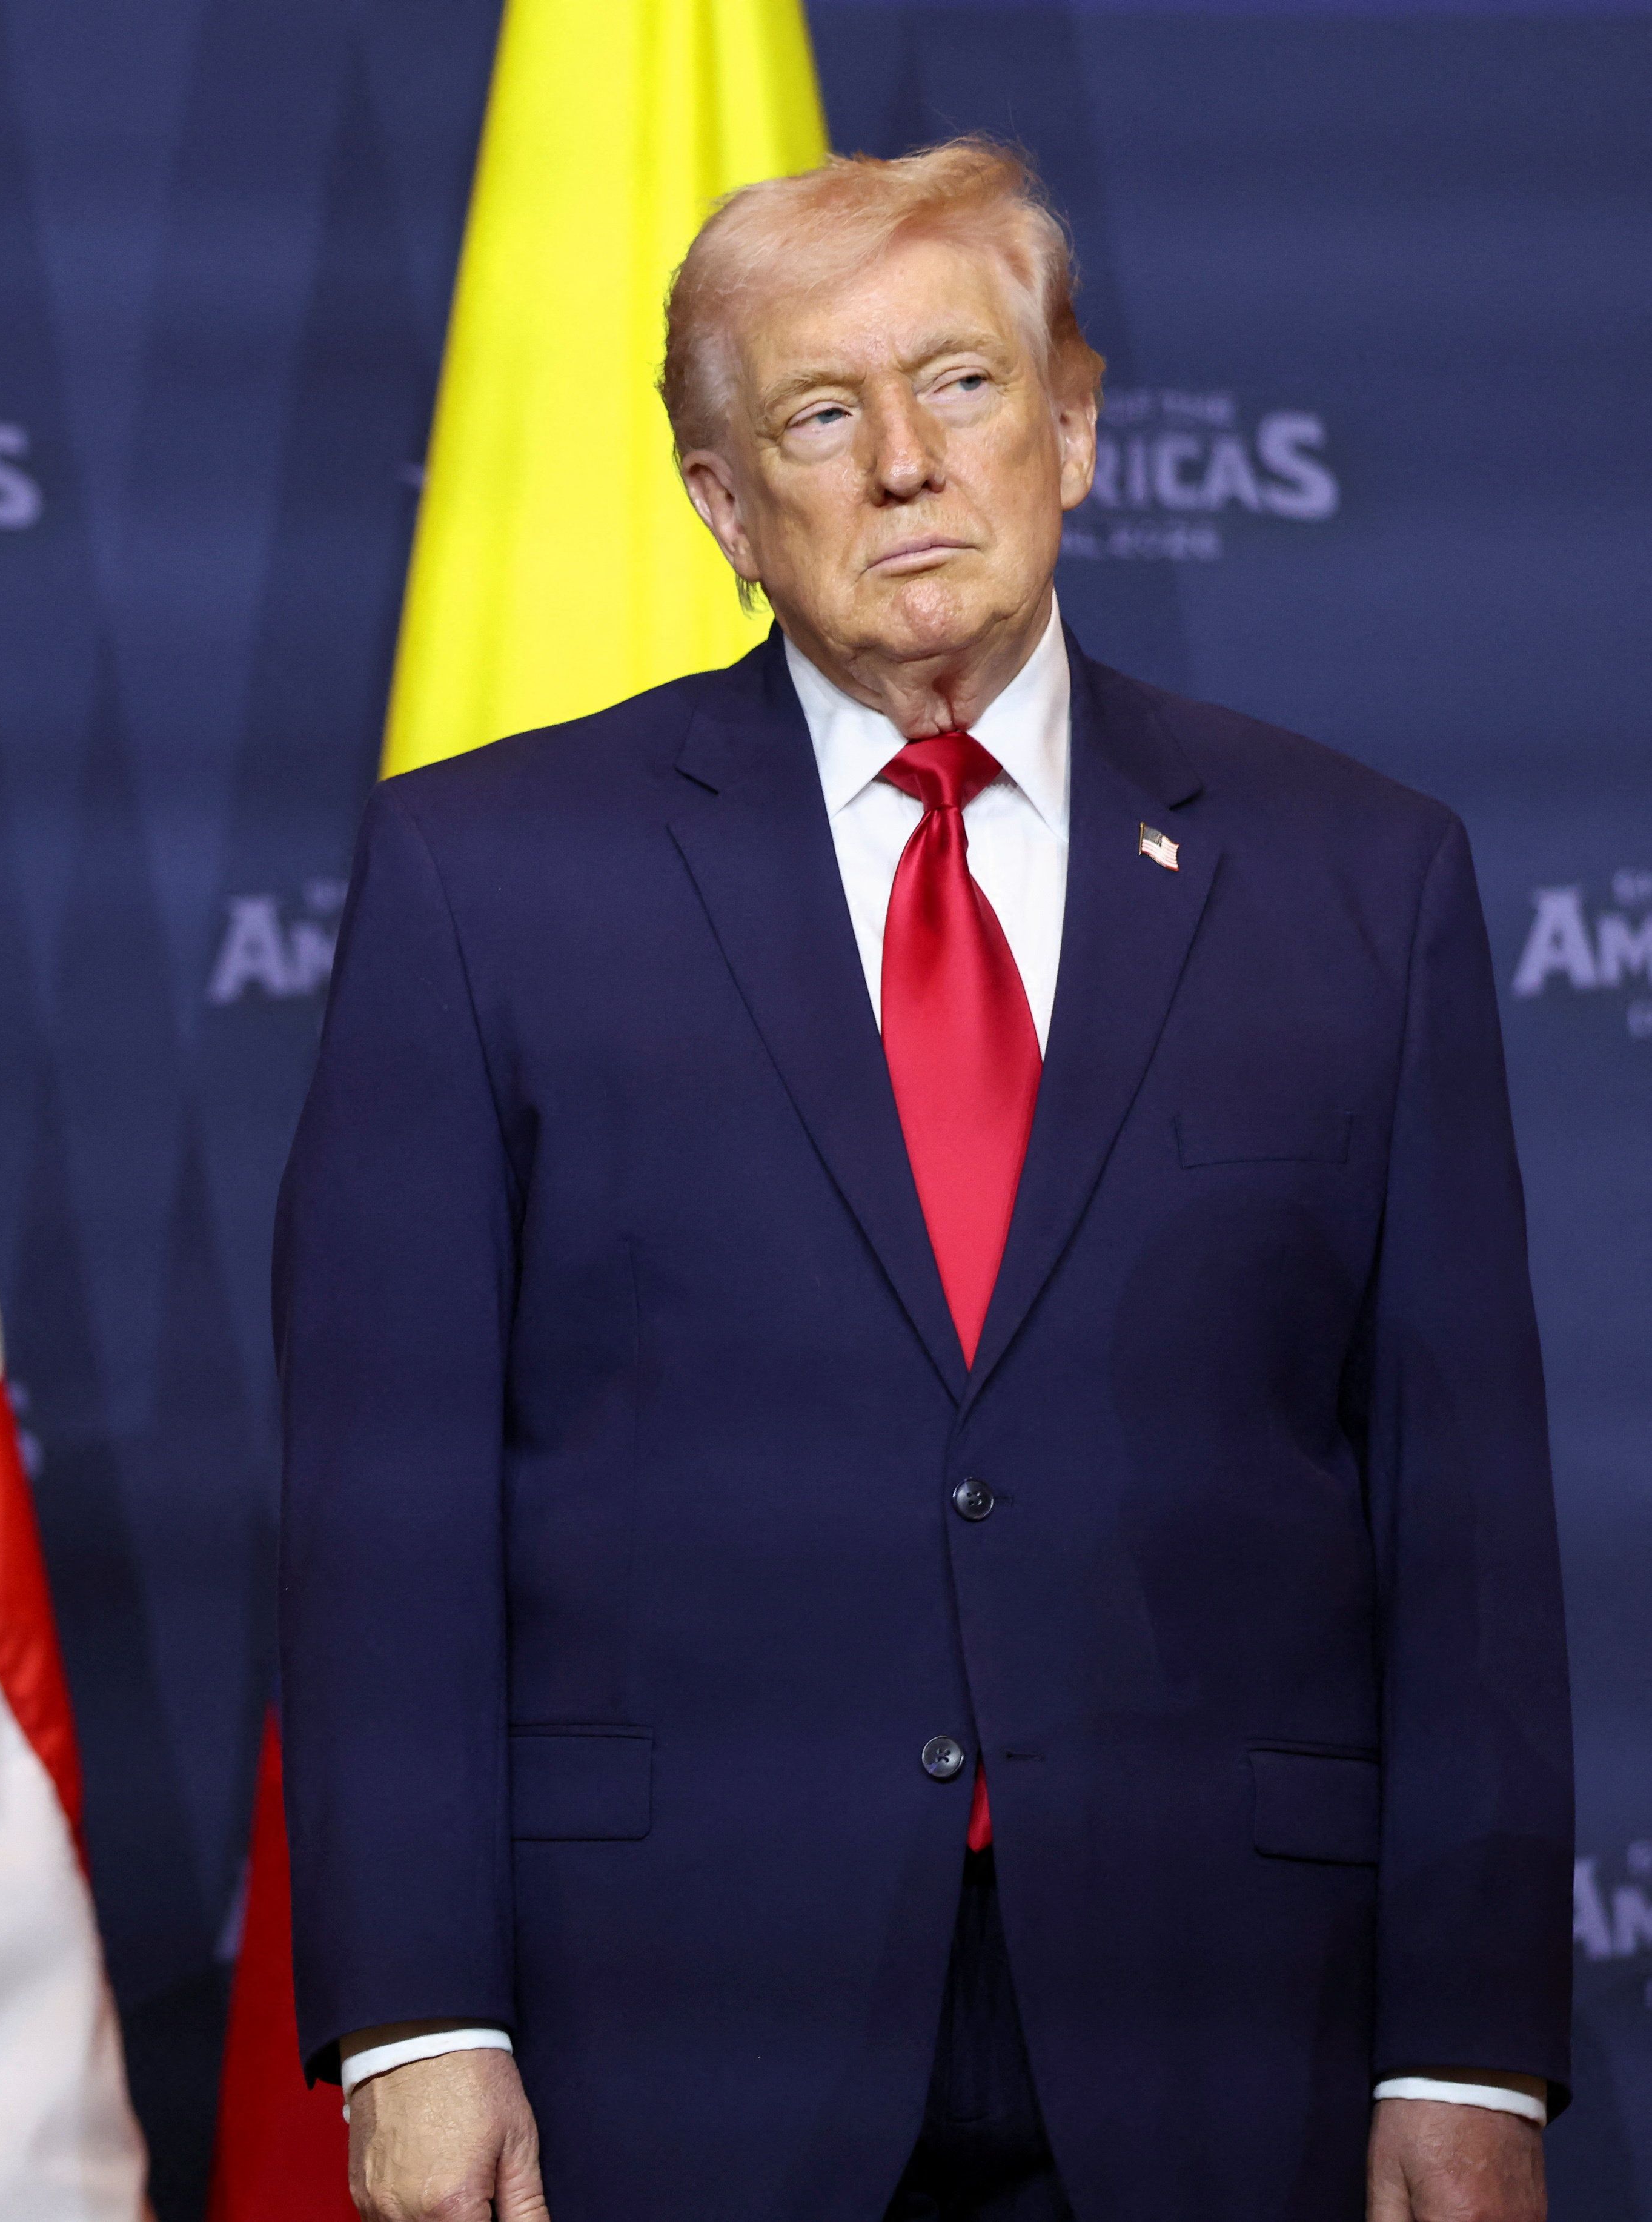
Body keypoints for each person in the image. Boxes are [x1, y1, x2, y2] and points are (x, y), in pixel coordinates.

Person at [275, 137, 1568, 2222]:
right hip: (669, 2029)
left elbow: (1463, 1512)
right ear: (723, 506)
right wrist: (419, 2021)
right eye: (818, 413)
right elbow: (384, 1508)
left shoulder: (1357, 877)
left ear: (1072, 426)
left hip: (1225, 2027)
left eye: (961, 384)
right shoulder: (486, 877)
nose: (902, 462)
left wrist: (1467, 2045)